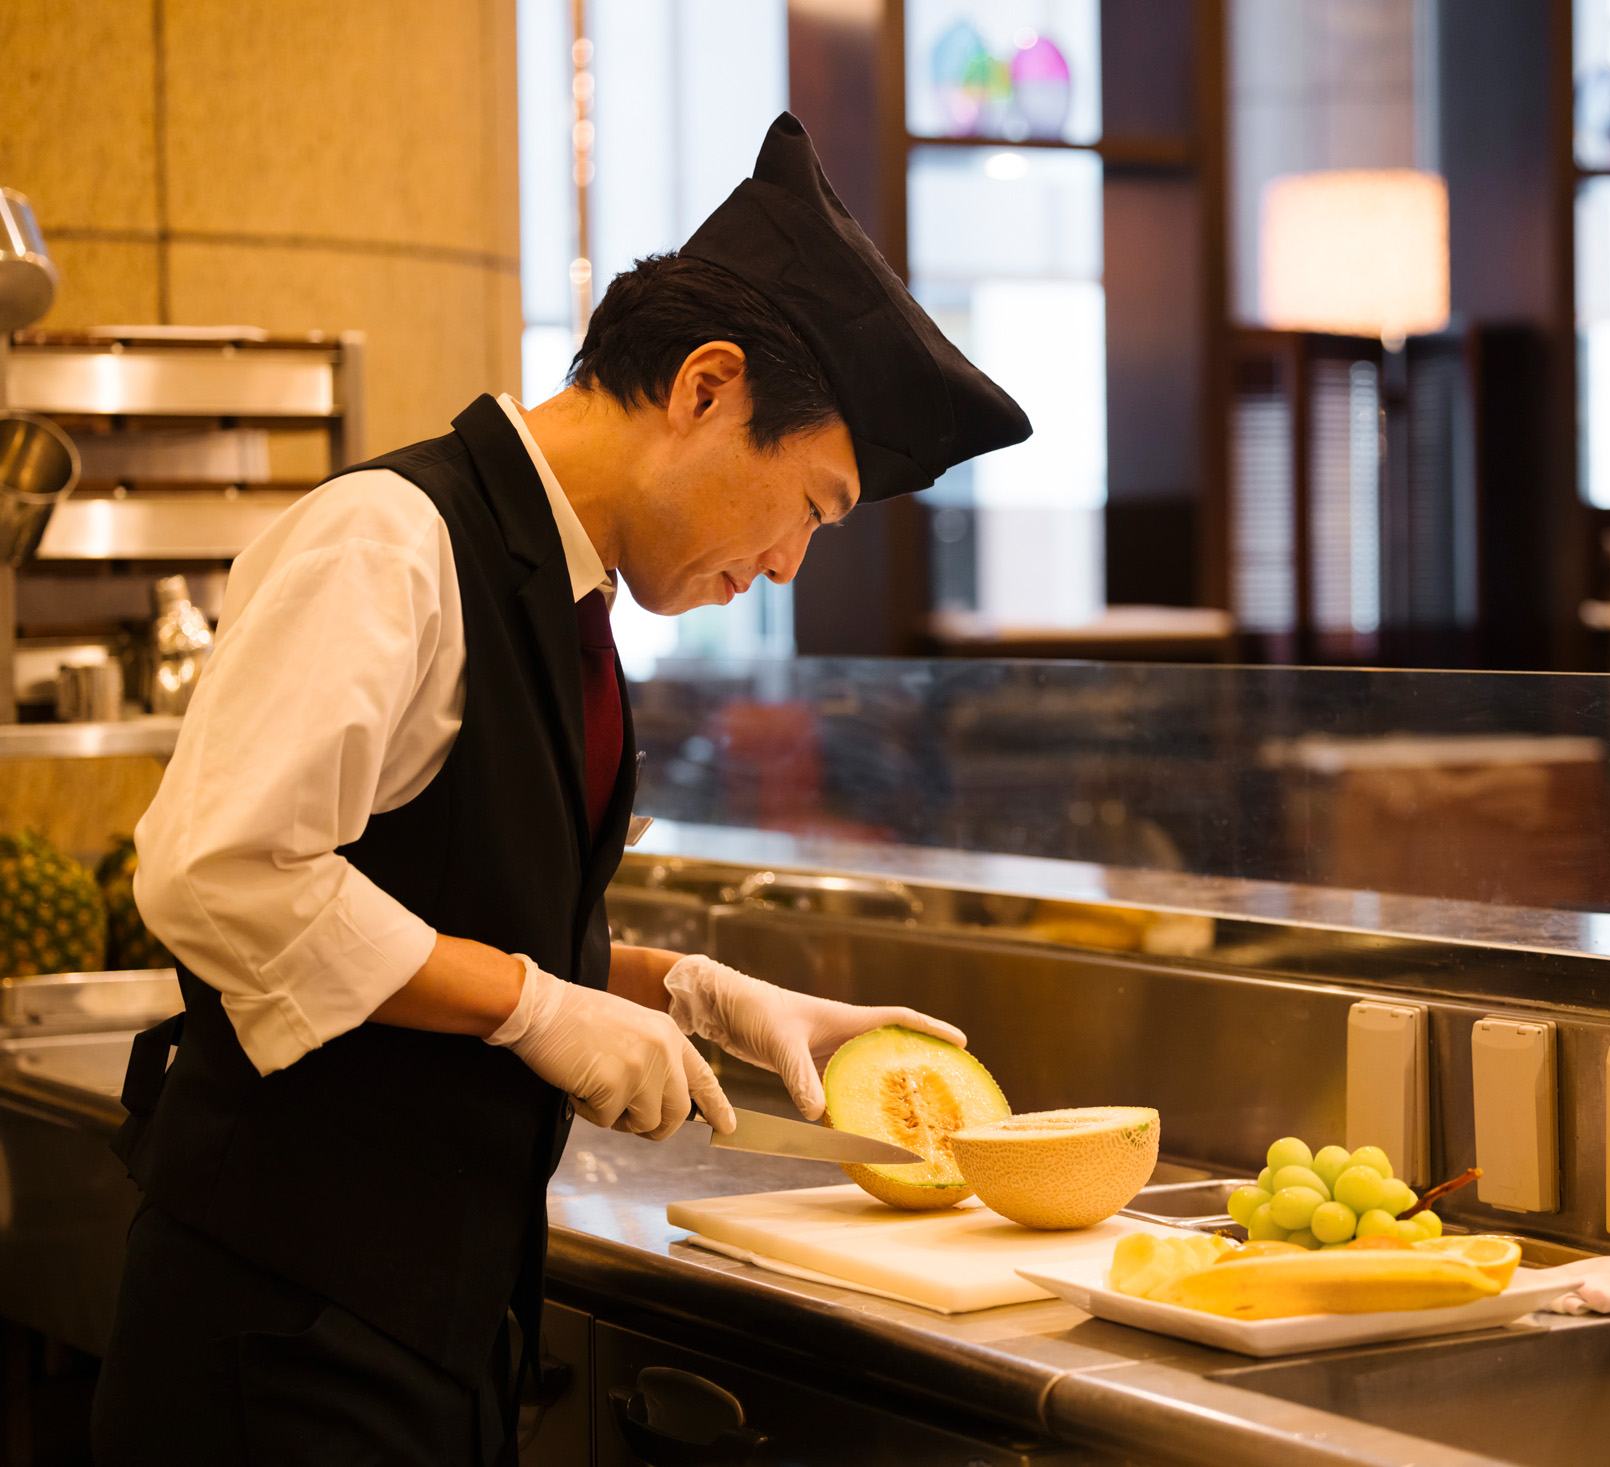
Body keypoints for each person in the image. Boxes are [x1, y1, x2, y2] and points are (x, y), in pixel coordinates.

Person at [89, 114, 1030, 1465]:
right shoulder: (391, 542)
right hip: (285, 1340)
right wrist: (538, 1006)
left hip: (431, 1325)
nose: (783, 568)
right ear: (709, 387)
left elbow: (439, 891)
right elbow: (220, 871)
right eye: (810, 508)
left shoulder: (566, 590)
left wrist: (675, 987)